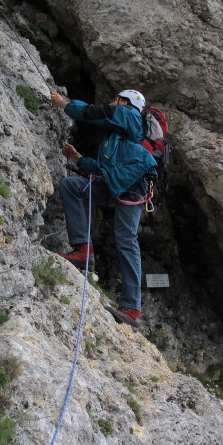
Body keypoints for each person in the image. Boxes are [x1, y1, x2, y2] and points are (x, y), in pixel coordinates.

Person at [50, 90, 157, 327]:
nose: (111, 102)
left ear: (125, 102)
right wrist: (79, 158)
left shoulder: (129, 115)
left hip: (133, 186)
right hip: (115, 184)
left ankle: (131, 308)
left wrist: (65, 104)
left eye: (115, 99)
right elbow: (103, 168)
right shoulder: (115, 136)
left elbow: (96, 112)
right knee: (72, 186)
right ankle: (83, 251)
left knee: (126, 240)